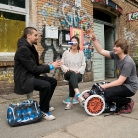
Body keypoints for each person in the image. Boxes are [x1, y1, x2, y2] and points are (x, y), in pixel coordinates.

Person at [14, 27, 62, 121]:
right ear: (28, 36)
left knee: (52, 81)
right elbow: (33, 68)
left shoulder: (30, 47)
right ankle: (43, 111)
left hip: (30, 76)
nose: (37, 37)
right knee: (46, 85)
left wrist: (49, 65)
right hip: (24, 79)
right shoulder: (23, 49)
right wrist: (51, 67)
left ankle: (44, 104)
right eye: (35, 35)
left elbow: (35, 66)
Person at [87, 28, 138, 114]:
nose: (114, 48)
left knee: (107, 93)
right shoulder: (116, 55)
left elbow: (119, 82)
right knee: (103, 88)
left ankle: (128, 101)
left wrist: (104, 86)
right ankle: (119, 102)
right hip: (123, 84)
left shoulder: (128, 62)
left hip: (130, 87)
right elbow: (101, 51)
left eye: (116, 46)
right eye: (114, 46)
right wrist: (93, 39)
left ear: (122, 49)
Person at [61, 36, 86, 110]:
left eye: (75, 42)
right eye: (72, 42)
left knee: (73, 76)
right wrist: (67, 68)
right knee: (72, 73)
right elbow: (62, 64)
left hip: (78, 73)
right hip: (67, 73)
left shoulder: (81, 53)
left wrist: (78, 70)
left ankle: (70, 101)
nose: (73, 44)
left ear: (78, 43)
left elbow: (83, 65)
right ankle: (78, 95)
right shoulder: (66, 53)